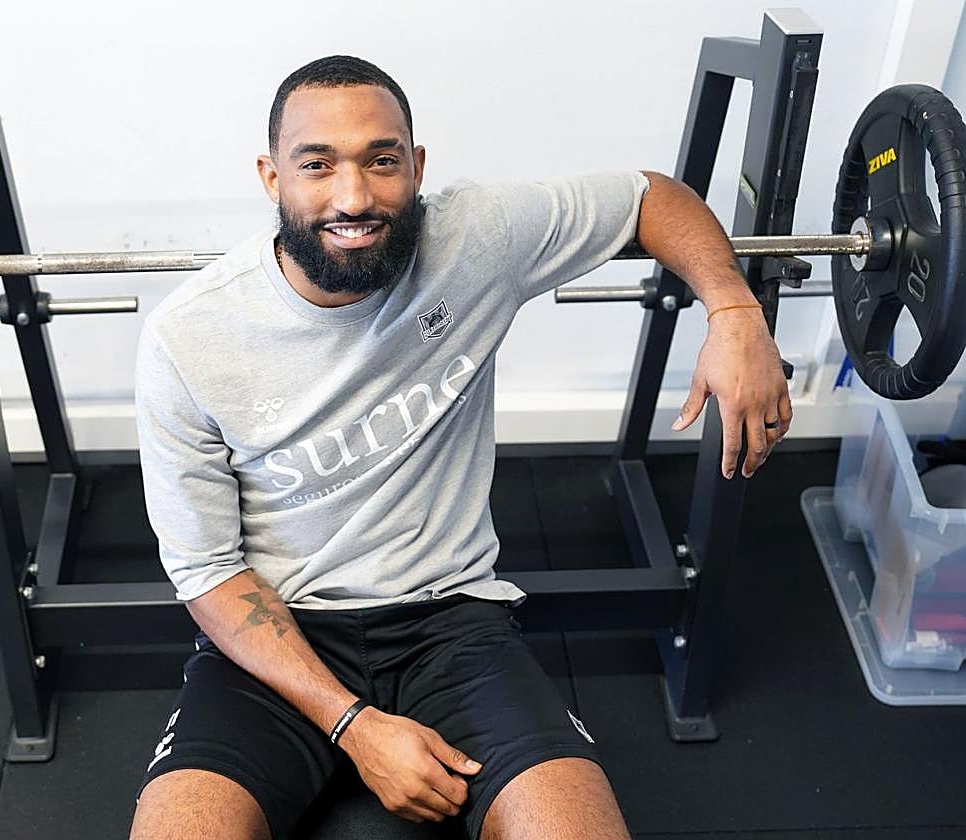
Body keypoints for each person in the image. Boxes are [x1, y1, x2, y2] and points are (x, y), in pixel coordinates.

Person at [129, 55, 789, 840]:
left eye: (382, 161)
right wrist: (356, 728)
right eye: (318, 166)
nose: (354, 197)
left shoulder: (475, 237)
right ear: (273, 178)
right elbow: (207, 569)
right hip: (281, 638)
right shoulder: (188, 338)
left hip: (453, 623)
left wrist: (734, 310)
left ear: (416, 167)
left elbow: (650, 196)